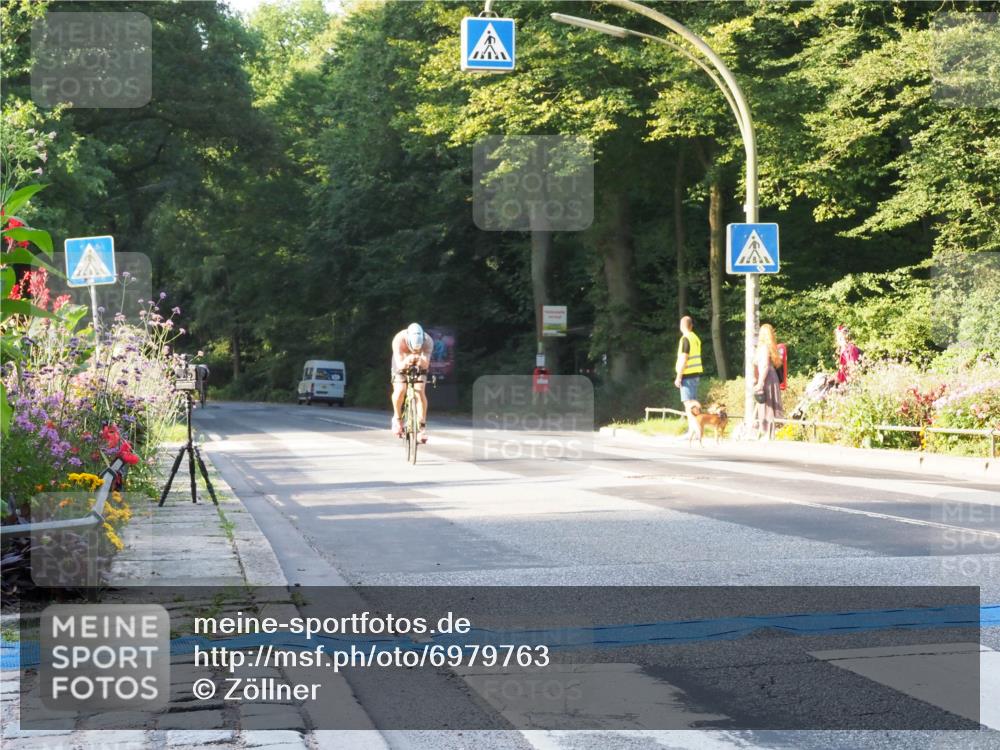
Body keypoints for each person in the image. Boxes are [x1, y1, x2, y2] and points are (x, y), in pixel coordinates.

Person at [390, 323, 433, 443]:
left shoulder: (428, 341)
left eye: (418, 348)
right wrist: (408, 359)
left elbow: (426, 364)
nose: (415, 350)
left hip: (419, 363)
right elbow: (400, 365)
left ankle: (421, 427)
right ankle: (397, 419)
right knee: (400, 389)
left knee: (419, 390)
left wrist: (420, 360)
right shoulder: (398, 339)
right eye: (413, 348)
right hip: (401, 360)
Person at [673, 316, 703, 441]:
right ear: (691, 325)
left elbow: (684, 358)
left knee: (689, 405)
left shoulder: (685, 339)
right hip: (695, 374)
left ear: (682, 326)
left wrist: (678, 376)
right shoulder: (695, 338)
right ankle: (696, 431)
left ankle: (693, 432)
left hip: (687, 375)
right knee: (694, 404)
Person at [752, 323, 784, 440]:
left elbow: (764, 366)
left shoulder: (764, 347)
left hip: (767, 378)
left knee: (767, 405)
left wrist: (760, 382)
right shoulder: (769, 348)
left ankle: (767, 433)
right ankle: (767, 432)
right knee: (765, 405)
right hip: (769, 377)